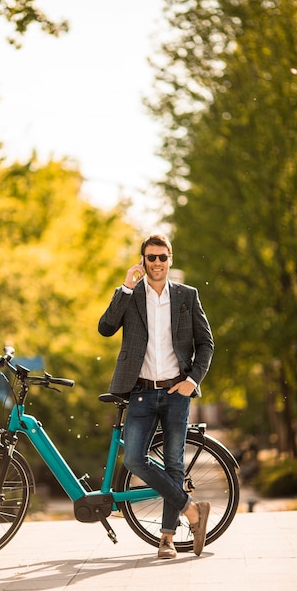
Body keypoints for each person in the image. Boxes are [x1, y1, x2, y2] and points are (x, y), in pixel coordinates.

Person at [98, 233, 214, 559]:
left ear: (171, 259)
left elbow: (206, 344)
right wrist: (124, 287)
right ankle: (192, 511)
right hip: (141, 393)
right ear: (143, 261)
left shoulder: (187, 296)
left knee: (174, 464)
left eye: (163, 257)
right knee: (134, 459)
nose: (158, 263)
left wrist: (193, 380)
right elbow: (105, 328)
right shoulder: (131, 295)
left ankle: (167, 539)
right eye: (151, 257)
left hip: (177, 391)